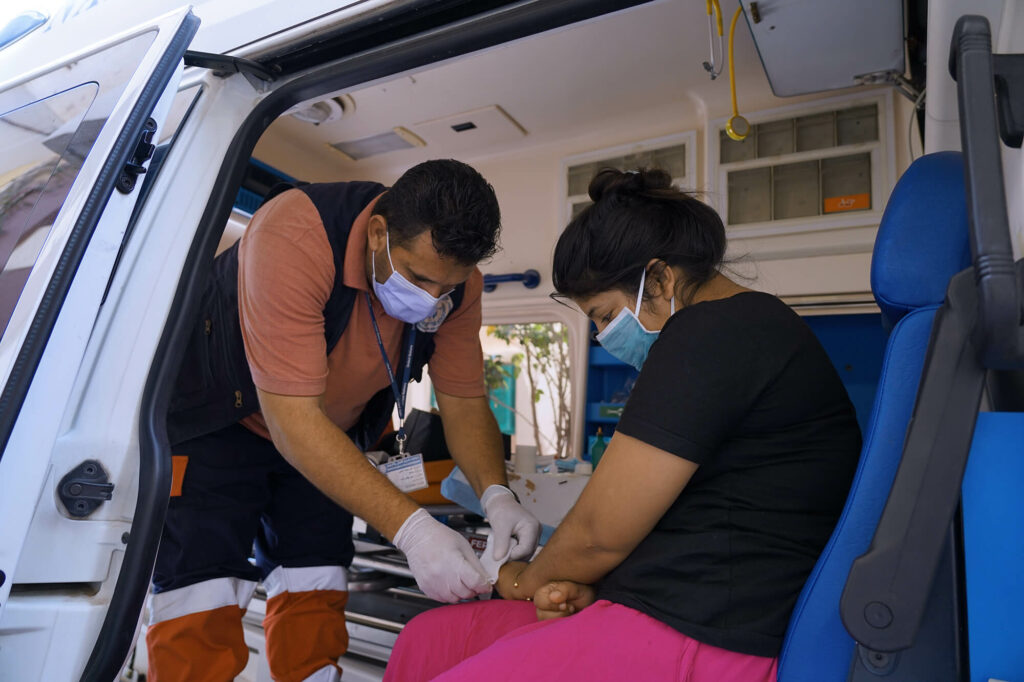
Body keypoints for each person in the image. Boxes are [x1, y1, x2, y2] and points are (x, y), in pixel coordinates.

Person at [383, 168, 862, 682]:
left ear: (658, 279)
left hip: (706, 631)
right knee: (426, 640)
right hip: (668, 601)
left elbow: (597, 536)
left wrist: (514, 580)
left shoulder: (712, 334)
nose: (599, 334)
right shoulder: (742, 330)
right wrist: (588, 585)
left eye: (605, 314)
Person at [146, 159, 541, 682]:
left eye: (446, 288)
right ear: (378, 233)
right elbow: (292, 421)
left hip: (329, 436)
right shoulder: (296, 232)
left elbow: (464, 401)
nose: (432, 299)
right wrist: (414, 531)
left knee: (317, 575)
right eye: (419, 277)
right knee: (201, 590)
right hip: (224, 423)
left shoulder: (456, 287)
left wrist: (497, 495)